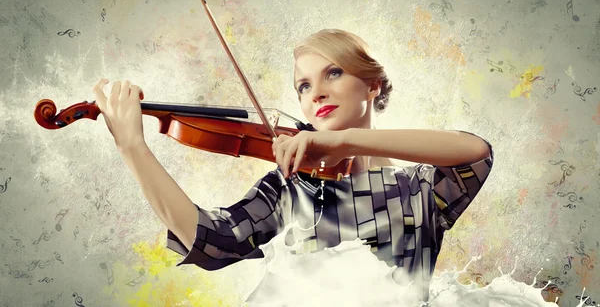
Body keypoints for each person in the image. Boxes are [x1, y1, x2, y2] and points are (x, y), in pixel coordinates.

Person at [92, 29, 494, 302]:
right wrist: (132, 146)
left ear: (372, 85)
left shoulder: (420, 190)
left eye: (333, 73)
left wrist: (341, 140)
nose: (316, 92)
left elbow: (476, 152)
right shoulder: (293, 186)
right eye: (304, 86)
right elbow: (213, 243)